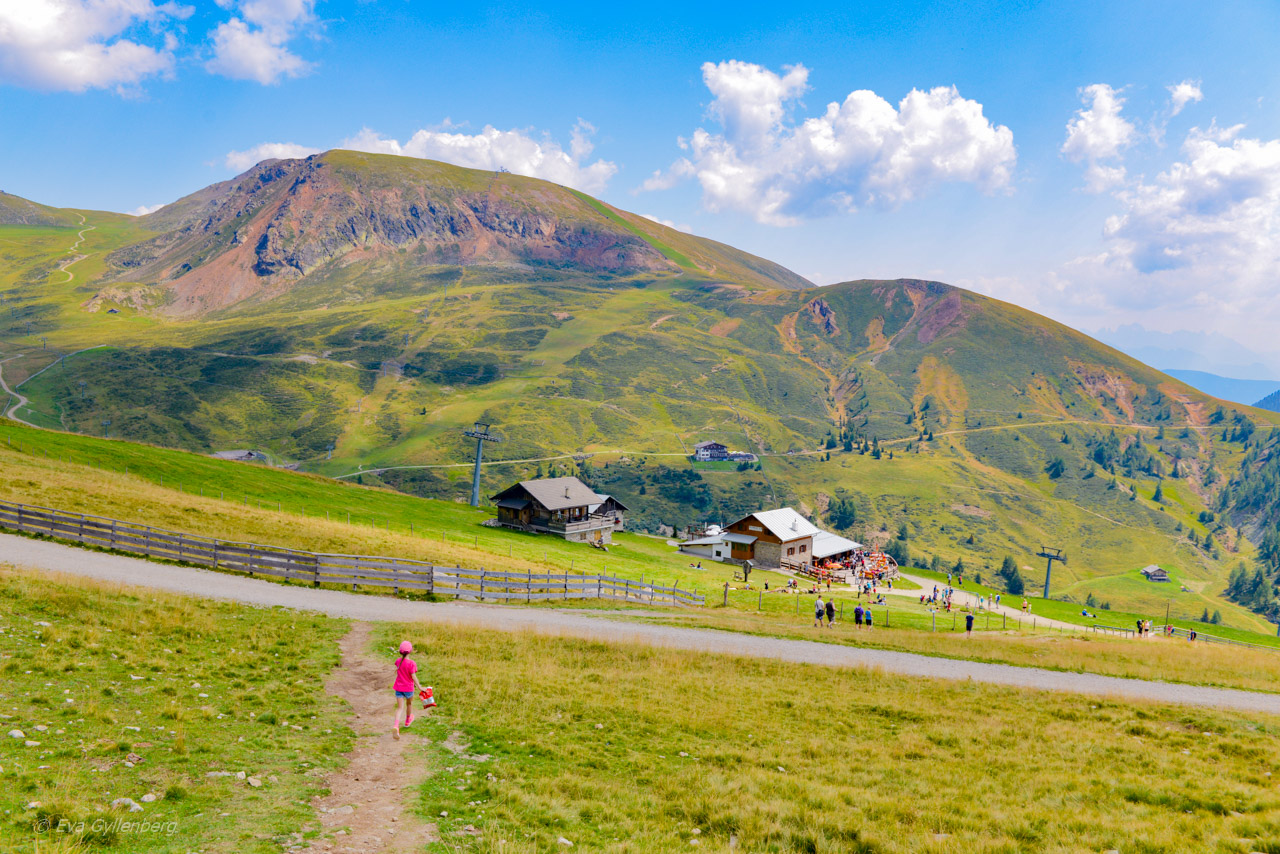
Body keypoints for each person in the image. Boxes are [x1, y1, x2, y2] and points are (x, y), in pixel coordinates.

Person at [392, 640, 424, 740]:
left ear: (400, 651)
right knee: (409, 704)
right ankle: (407, 721)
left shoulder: (398, 661)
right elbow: (413, 676)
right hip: (408, 689)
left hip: (398, 688)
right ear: (410, 651)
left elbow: (398, 668)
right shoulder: (412, 664)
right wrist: (419, 687)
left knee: (399, 708)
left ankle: (396, 726)